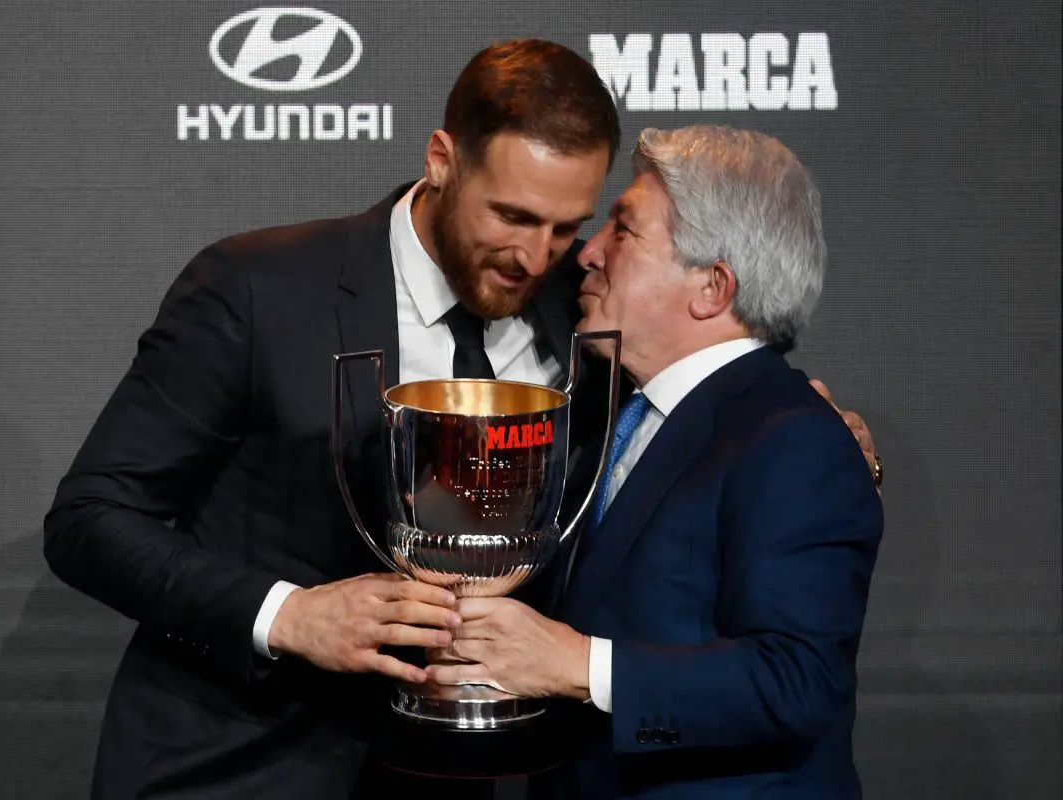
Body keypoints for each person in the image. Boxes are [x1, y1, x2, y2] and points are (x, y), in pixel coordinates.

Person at [44, 38, 878, 799]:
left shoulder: (582, 318)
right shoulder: (261, 288)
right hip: (235, 763)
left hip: (457, 775)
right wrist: (290, 615)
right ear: (443, 160)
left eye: (568, 227)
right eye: (511, 217)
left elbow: (702, 402)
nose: (537, 255)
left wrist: (809, 419)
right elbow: (90, 519)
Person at [426, 126, 886, 799]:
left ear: (712, 287)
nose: (586, 253)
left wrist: (577, 664)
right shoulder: (618, 419)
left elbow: (798, 680)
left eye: (624, 230)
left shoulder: (795, 439)